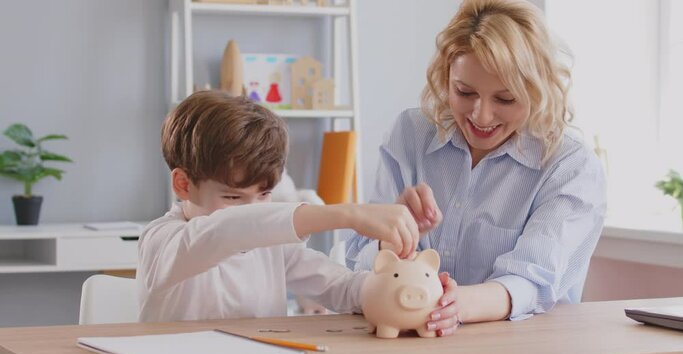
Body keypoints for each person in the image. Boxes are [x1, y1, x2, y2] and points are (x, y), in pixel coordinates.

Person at [346, 0, 607, 329]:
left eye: (505, 99)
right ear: (446, 76)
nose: (481, 116)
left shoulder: (570, 167)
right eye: (464, 92)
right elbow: (357, 258)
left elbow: (532, 282)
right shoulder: (410, 136)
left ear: (536, 88)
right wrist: (393, 240)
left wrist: (454, 305)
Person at [136, 91, 458, 336]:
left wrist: (400, 289)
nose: (253, 209)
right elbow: (227, 230)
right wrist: (347, 214)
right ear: (182, 183)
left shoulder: (273, 247)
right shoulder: (162, 242)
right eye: (233, 196)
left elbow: (343, 288)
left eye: (263, 195)